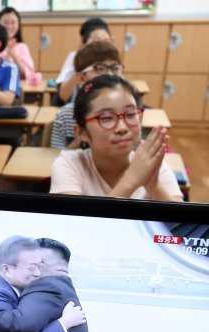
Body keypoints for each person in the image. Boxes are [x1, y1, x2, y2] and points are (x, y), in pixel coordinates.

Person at [50, 75, 184, 202]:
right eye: (107, 118)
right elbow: (76, 225)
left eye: (131, 114)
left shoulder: (149, 163)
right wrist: (131, 180)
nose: (122, 128)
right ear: (81, 132)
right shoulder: (69, 164)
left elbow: (181, 224)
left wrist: (153, 186)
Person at [51, 41, 123, 149]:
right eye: (100, 68)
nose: (110, 75)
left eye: (115, 68)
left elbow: (134, 158)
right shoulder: (66, 116)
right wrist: (76, 144)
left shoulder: (128, 114)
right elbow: (56, 160)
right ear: (81, 78)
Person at [55, 18, 112, 106]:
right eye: (96, 40)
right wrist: (80, 66)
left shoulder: (113, 63)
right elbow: (63, 96)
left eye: (106, 41)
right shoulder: (75, 58)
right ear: (84, 43)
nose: (101, 45)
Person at [0, 7, 35, 81]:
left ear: (18, 25)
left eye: (13, 23)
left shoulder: (22, 47)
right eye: (5, 23)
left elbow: (25, 75)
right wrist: (6, 56)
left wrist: (14, 55)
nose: (9, 26)